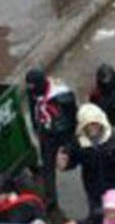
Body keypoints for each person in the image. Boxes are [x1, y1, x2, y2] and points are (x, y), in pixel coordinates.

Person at [56, 103, 115, 216]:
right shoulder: (79, 143)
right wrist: (64, 165)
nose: (91, 128)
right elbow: (74, 159)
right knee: (98, 218)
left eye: (94, 124)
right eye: (87, 125)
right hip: (94, 189)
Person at [24, 68, 77, 211]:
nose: (32, 93)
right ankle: (50, 198)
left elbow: (72, 117)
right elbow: (32, 106)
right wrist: (37, 127)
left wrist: (69, 140)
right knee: (48, 165)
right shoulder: (33, 92)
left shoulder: (62, 94)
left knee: (71, 160)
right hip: (46, 135)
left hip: (63, 134)